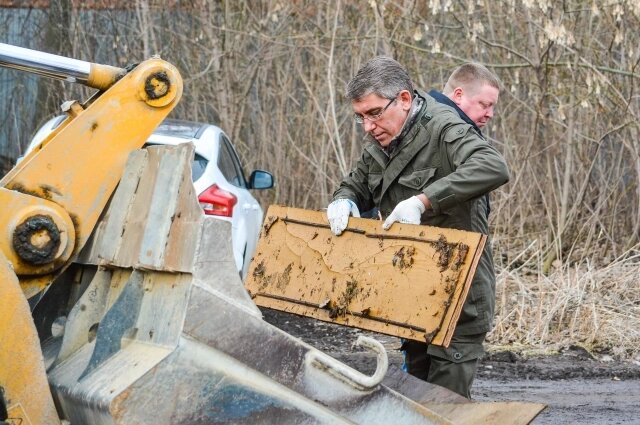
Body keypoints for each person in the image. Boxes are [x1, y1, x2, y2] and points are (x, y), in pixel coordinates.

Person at [325, 57, 509, 398]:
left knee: (443, 406)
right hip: (413, 292)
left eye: (375, 113)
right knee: (412, 400)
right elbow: (355, 183)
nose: (367, 125)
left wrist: (423, 201)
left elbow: (492, 167)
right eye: (360, 117)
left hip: (459, 296)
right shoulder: (382, 139)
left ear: (405, 100)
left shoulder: (445, 128)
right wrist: (344, 200)